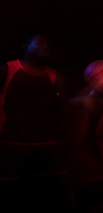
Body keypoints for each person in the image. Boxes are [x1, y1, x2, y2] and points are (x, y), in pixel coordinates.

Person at [0, 34, 75, 211]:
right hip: (11, 141)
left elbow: (61, 108)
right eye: (41, 43)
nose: (47, 47)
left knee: (63, 188)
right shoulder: (7, 70)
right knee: (7, 189)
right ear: (26, 46)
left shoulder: (55, 76)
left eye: (48, 44)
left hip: (45, 141)